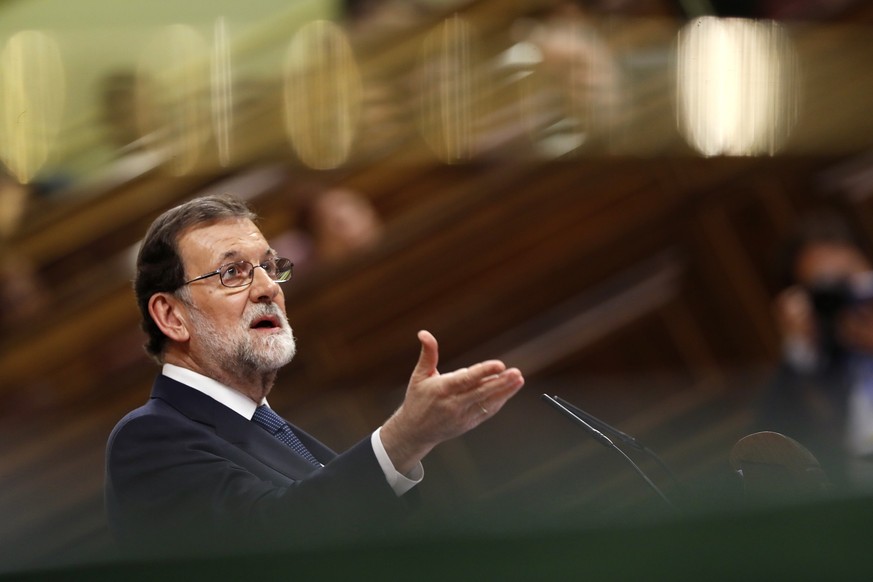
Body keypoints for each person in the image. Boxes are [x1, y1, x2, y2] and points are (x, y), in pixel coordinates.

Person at [105, 194, 524, 555]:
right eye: (232, 273)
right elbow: (276, 540)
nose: (268, 287)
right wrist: (405, 438)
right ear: (171, 316)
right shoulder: (149, 438)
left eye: (270, 267)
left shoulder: (271, 428)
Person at [757, 212, 873, 490]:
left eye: (847, 282)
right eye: (825, 292)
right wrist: (800, 351)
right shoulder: (809, 367)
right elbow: (788, 451)